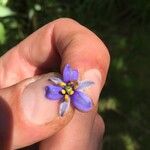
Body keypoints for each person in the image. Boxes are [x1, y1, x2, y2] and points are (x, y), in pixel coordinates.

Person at [0, 18, 110, 150]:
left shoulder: (73, 93)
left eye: (70, 88)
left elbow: (84, 102)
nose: (69, 88)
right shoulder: (66, 88)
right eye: (69, 88)